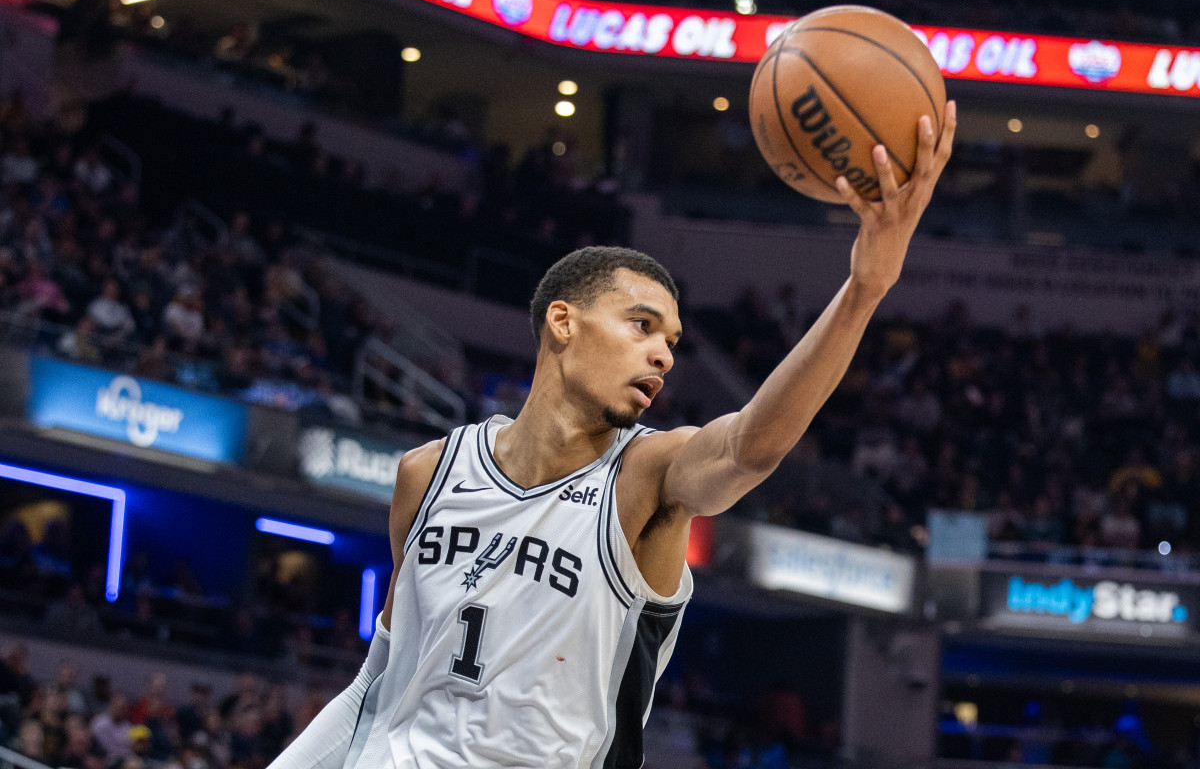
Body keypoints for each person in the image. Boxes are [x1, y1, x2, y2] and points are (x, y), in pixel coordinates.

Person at [268, 104, 956, 769]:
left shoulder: (646, 478)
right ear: (563, 322)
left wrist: (864, 291)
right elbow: (377, 686)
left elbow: (752, 446)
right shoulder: (428, 473)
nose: (663, 354)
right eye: (642, 325)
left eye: (674, 341)